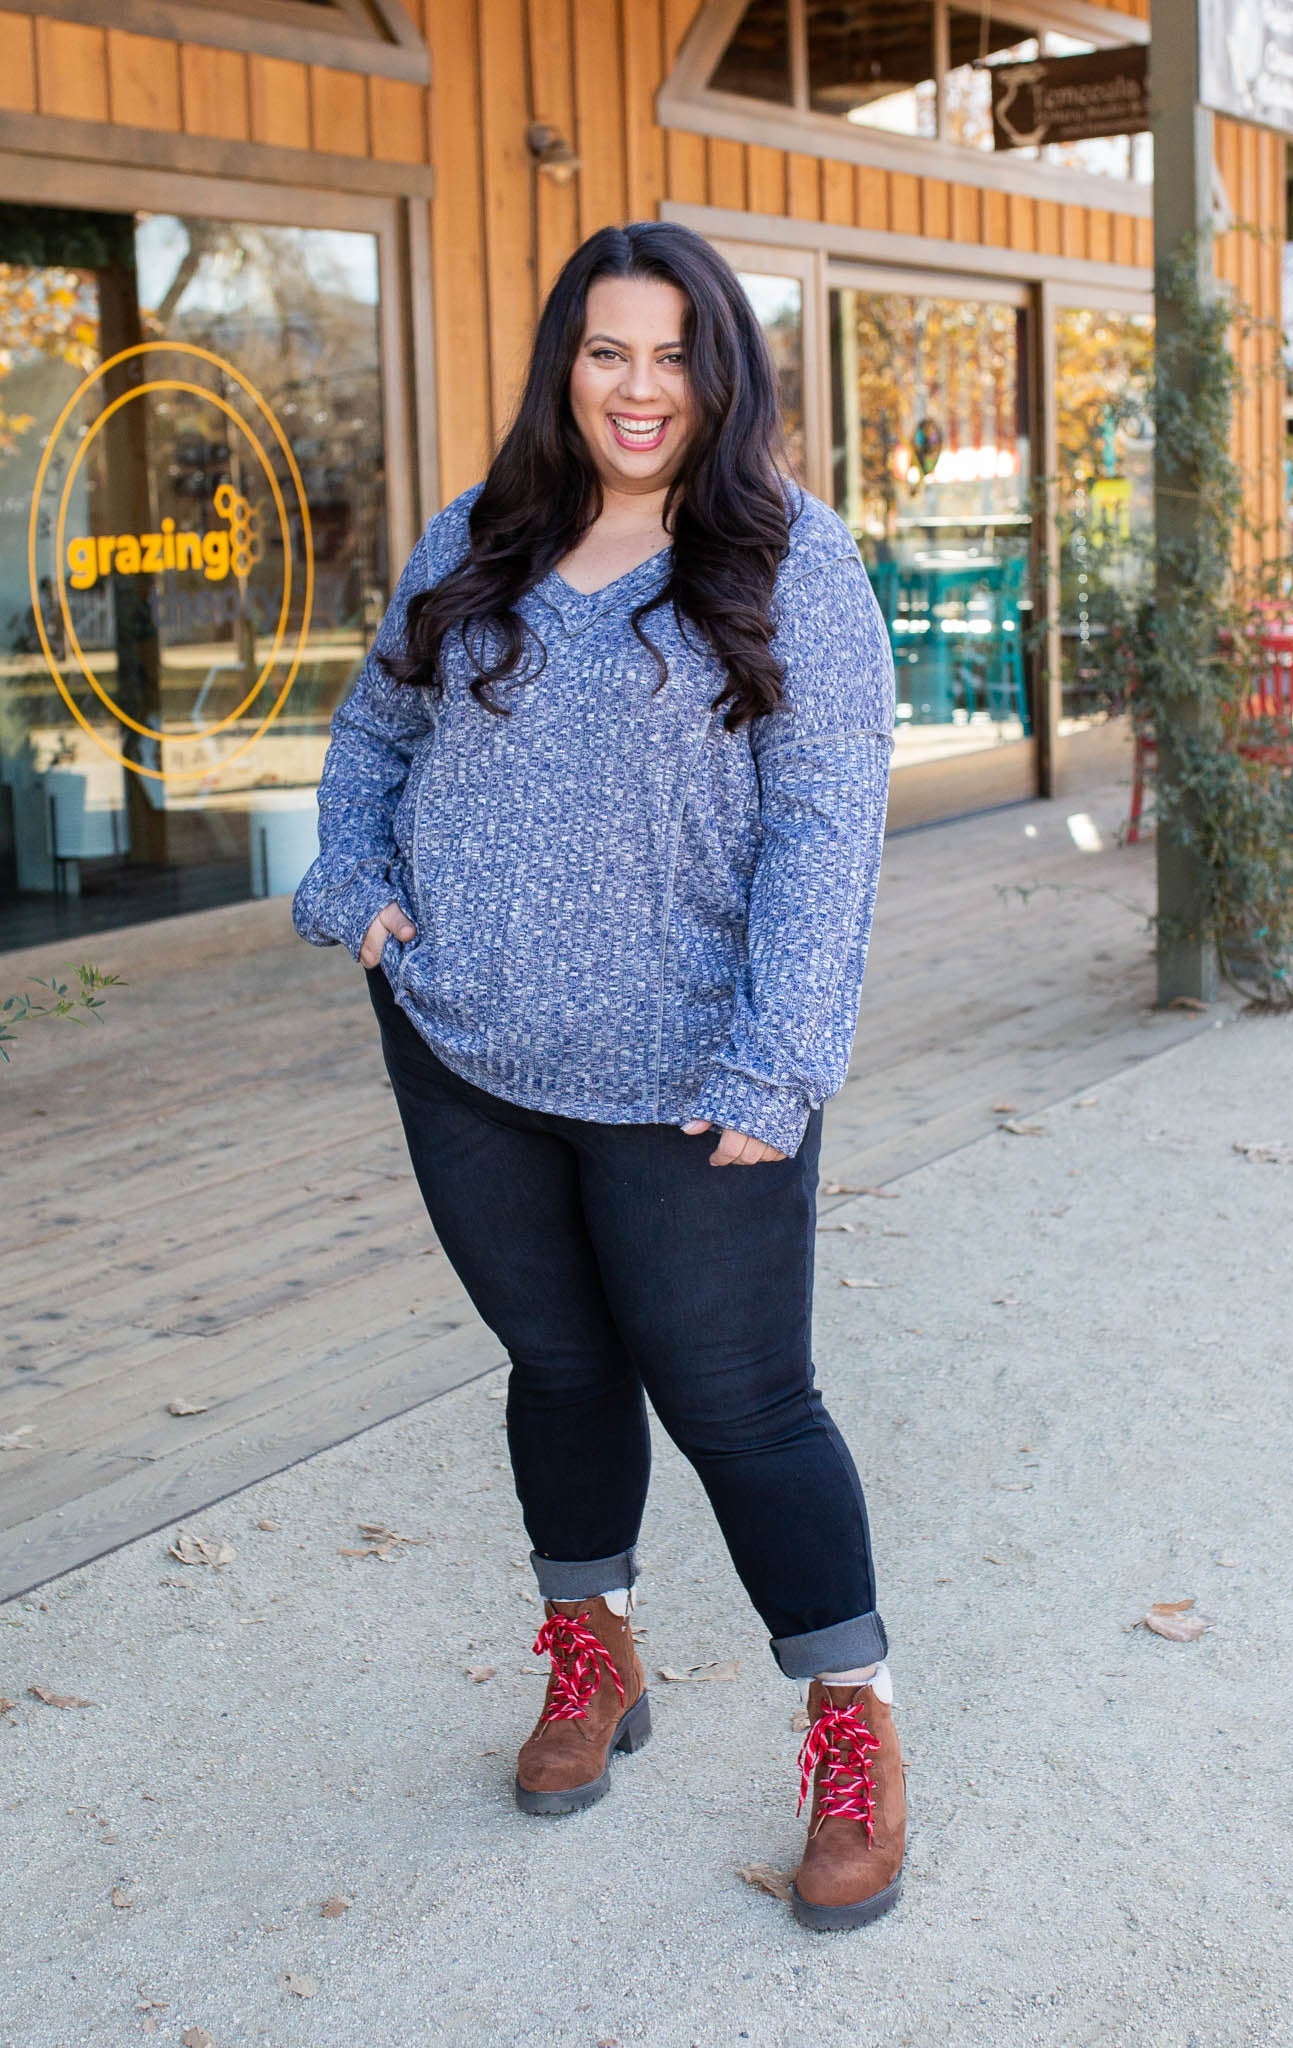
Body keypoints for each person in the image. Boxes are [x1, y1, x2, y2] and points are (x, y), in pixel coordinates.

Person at [293, 221, 900, 1931]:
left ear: (724, 370)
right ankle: (591, 1653)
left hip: (693, 1084)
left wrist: (779, 1068)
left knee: (744, 1410)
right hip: (462, 1047)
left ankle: (851, 1731)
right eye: (606, 352)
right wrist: (358, 894)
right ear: (566, 364)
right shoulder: (475, 537)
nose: (641, 390)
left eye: (673, 354)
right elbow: (371, 732)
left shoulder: (793, 562)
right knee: (555, 1362)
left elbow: (823, 839)